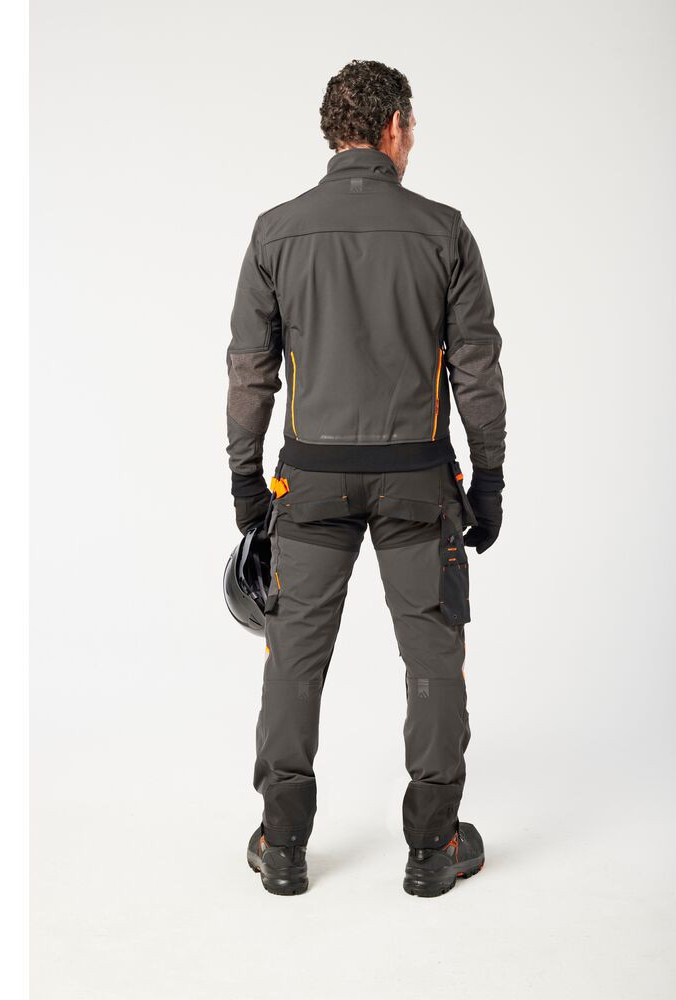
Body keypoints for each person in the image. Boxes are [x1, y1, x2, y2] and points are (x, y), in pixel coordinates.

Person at [227, 59, 506, 897]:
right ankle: (434, 845)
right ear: (392, 127)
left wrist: (247, 488)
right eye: (411, 129)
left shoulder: (276, 232)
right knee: (433, 654)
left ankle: (283, 843)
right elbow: (477, 371)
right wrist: (489, 480)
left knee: (294, 658)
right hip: (417, 481)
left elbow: (250, 373)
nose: (411, 142)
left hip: (310, 483)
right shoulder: (443, 231)